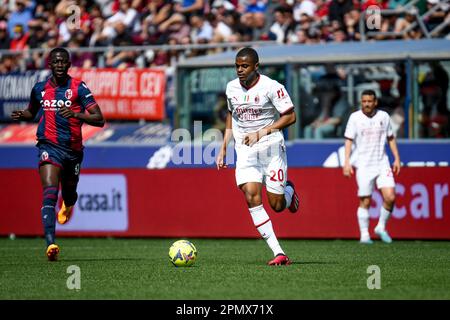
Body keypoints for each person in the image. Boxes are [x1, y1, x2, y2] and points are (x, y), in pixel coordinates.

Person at [11, 47, 105, 261]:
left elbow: (99, 119)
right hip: (48, 146)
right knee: (49, 192)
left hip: (73, 151)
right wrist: (22, 114)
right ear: (50, 64)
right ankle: (51, 243)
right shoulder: (39, 88)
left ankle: (69, 204)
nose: (60, 65)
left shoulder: (78, 88)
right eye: (56, 62)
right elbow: (32, 112)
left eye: (64, 62)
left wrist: (75, 113)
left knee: (69, 192)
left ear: (69, 65)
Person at [216, 47, 299, 266]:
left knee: (277, 205)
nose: (240, 70)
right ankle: (279, 252)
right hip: (245, 150)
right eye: (237, 66)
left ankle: (289, 192)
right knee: (251, 195)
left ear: (256, 66)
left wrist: (262, 132)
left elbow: (291, 116)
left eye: (244, 66)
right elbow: (231, 114)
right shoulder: (231, 88)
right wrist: (224, 146)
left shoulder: (272, 87)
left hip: (271, 148)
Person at [343, 90, 401, 244]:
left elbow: (391, 138)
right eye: (364, 101)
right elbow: (348, 140)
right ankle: (364, 235)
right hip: (363, 164)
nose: (367, 104)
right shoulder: (355, 118)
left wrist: (397, 158)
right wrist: (347, 162)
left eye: (369, 101)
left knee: (390, 197)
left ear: (375, 102)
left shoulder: (384, 116)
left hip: (382, 162)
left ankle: (381, 227)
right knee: (365, 201)